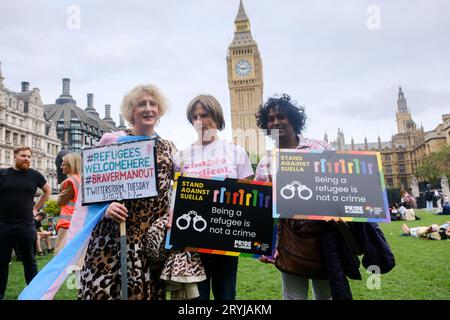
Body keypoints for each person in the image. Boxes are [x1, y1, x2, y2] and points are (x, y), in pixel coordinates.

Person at [78, 84, 177, 300]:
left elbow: (180, 187)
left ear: (159, 111)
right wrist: (106, 208)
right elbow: (90, 186)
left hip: (149, 241)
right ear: (132, 111)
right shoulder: (111, 141)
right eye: (142, 104)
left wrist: (173, 214)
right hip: (112, 238)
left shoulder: (169, 147)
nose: (148, 108)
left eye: (153, 104)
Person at [172, 94, 254, 300]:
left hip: (225, 240)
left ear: (217, 116)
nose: (199, 121)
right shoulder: (181, 156)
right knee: (196, 300)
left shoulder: (236, 152)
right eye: (195, 117)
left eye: (205, 115)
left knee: (226, 296)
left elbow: (248, 198)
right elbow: (174, 196)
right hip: (193, 241)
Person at [254, 94, 335, 300]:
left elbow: (341, 187)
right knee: (293, 296)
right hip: (289, 238)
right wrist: (265, 245)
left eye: (281, 116)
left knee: (325, 295)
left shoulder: (321, 148)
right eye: (270, 119)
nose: (276, 122)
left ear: (293, 119)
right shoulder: (266, 162)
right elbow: (261, 208)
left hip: (324, 234)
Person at [0, 146, 51, 300]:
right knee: (1, 263)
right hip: (4, 226)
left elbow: (47, 190)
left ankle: (34, 294)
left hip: (26, 225)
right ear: (15, 157)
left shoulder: (35, 175)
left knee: (30, 262)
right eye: (23, 156)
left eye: (29, 156)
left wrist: (36, 208)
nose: (27, 159)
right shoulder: (3, 174)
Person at [55, 153, 81, 254]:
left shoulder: (70, 181)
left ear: (72, 165)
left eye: (64, 164)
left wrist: (61, 187)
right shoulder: (82, 179)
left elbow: (60, 201)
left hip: (67, 224)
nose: (61, 166)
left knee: (60, 256)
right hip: (79, 221)